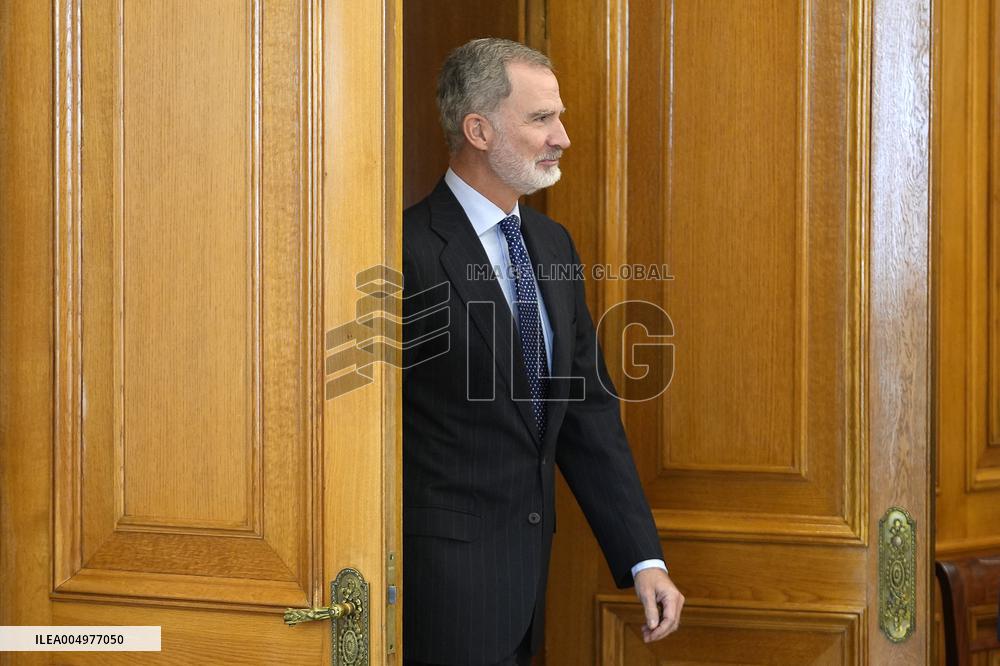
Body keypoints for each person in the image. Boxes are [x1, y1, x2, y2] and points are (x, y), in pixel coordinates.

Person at [402, 38, 684, 666]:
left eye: (559, 116)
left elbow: (587, 413)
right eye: (541, 118)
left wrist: (643, 557)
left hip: (529, 598)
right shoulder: (405, 249)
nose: (563, 137)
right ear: (478, 129)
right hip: (435, 601)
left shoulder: (553, 244)